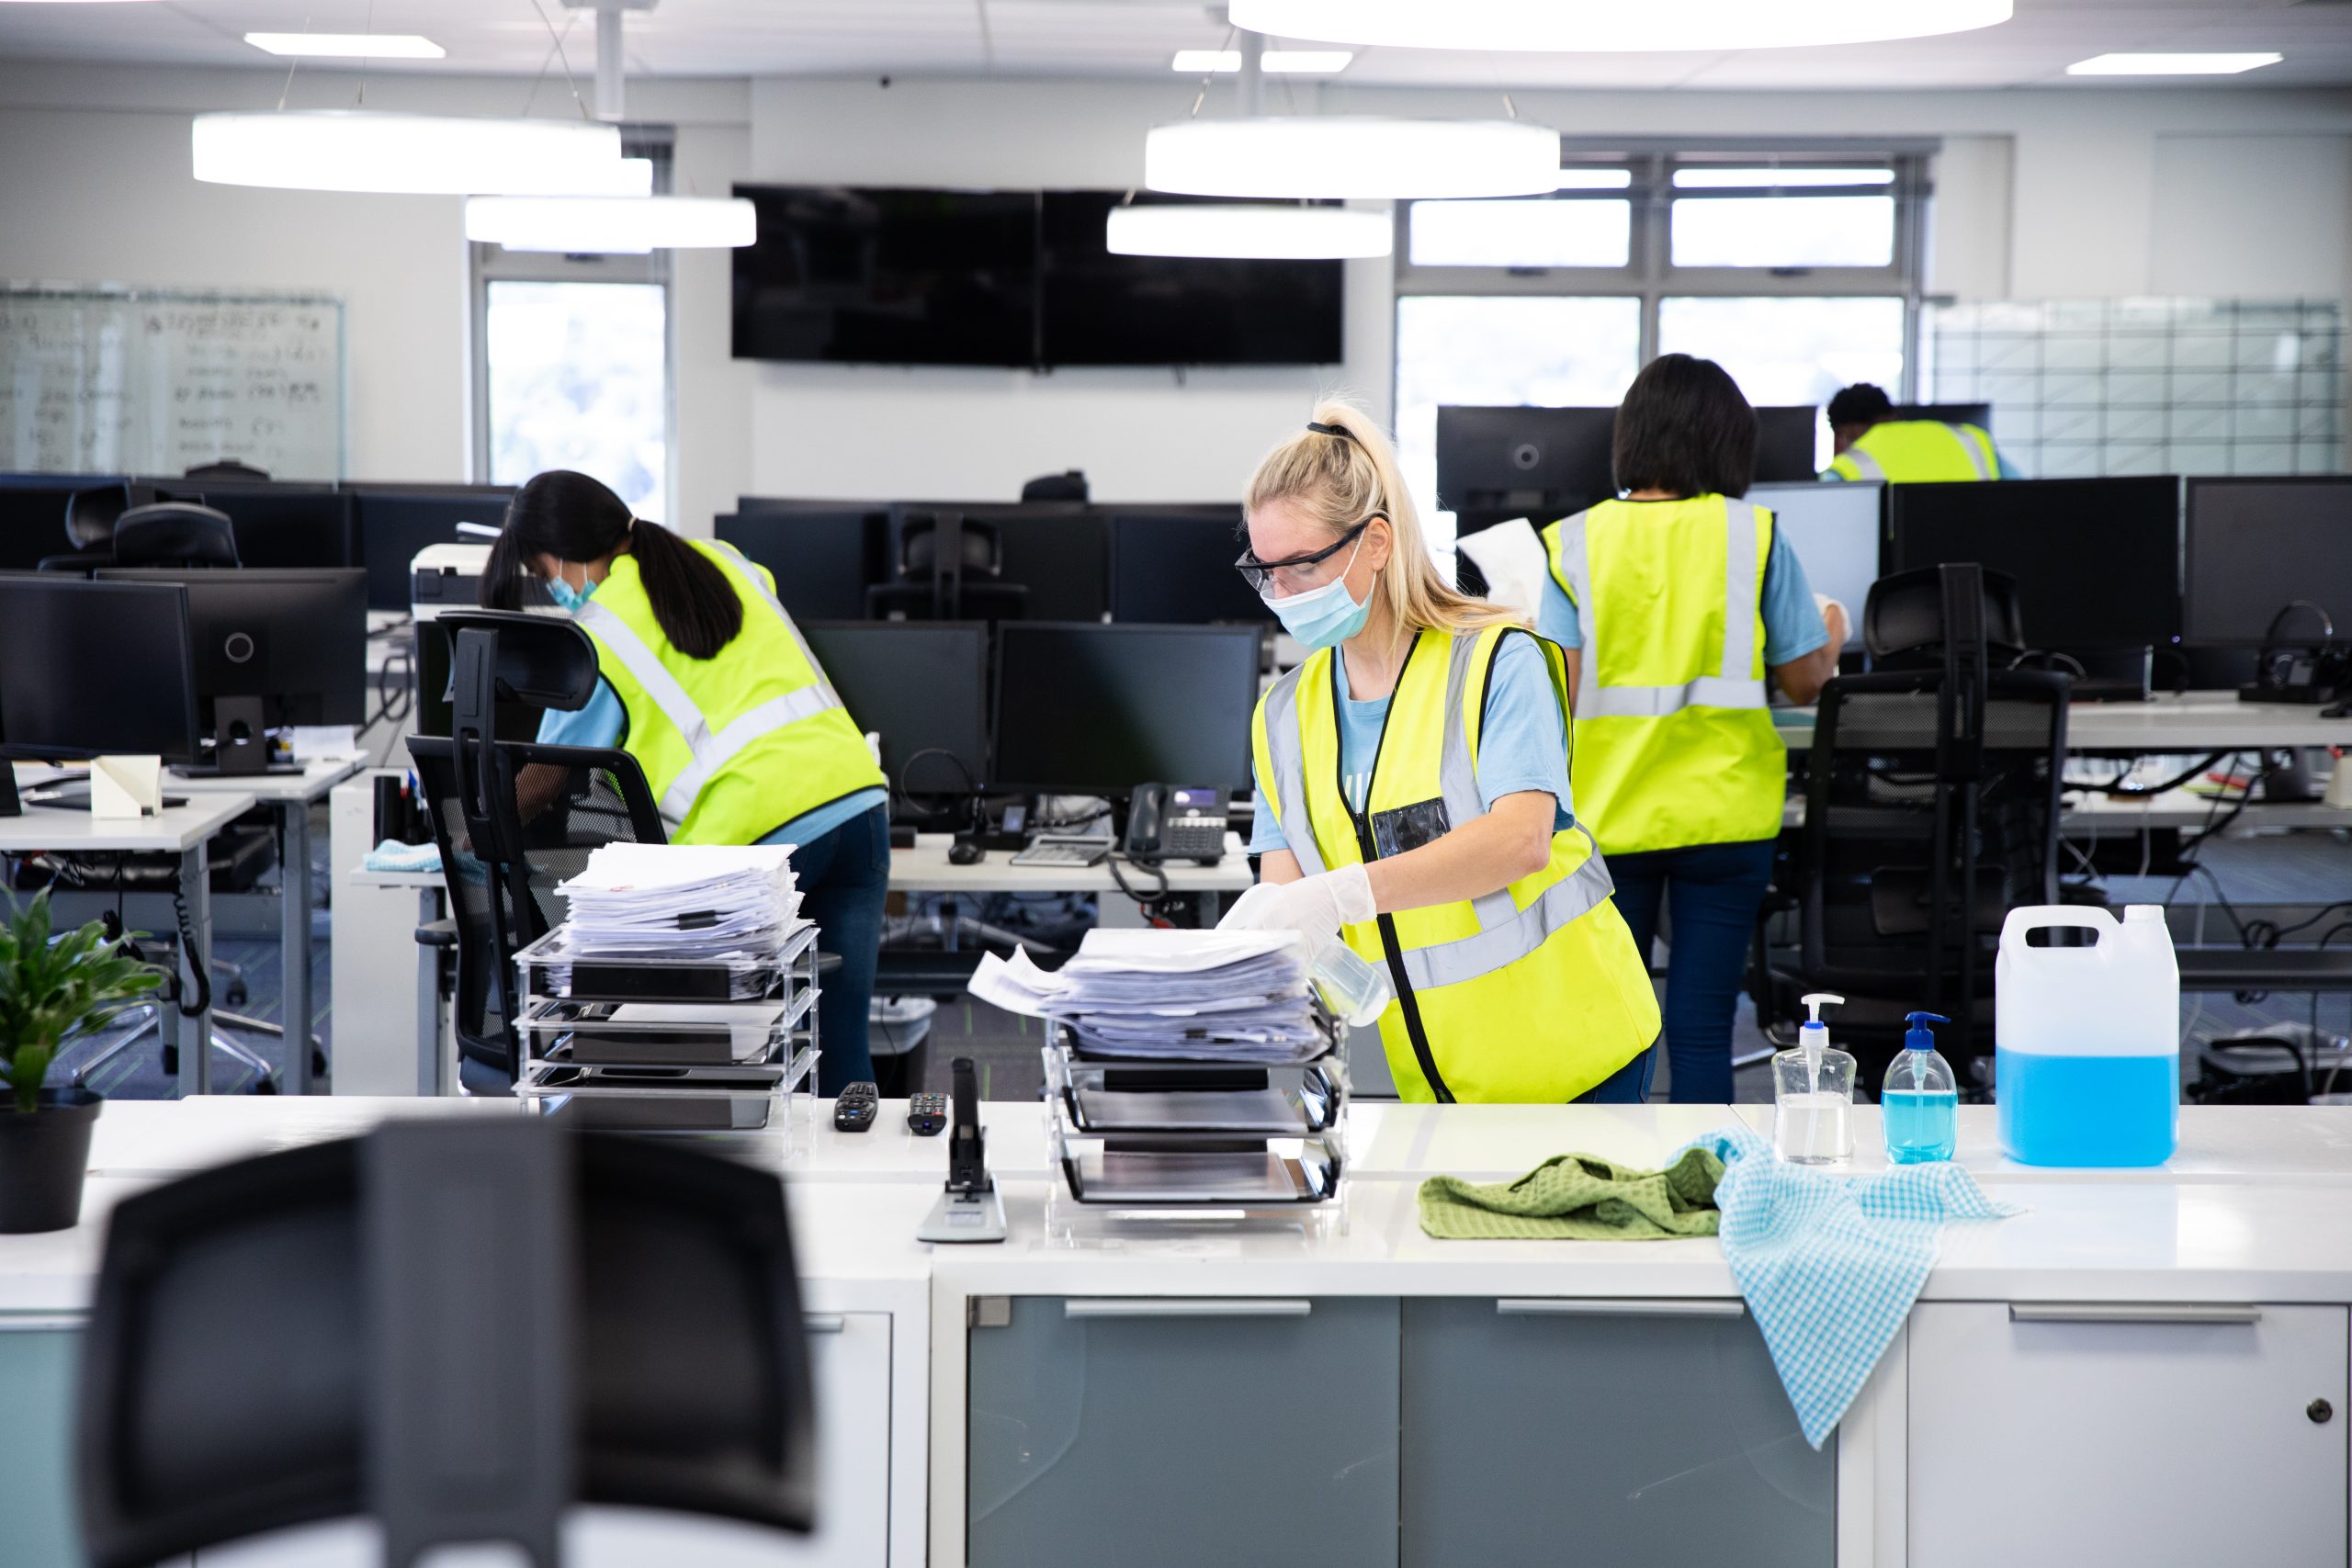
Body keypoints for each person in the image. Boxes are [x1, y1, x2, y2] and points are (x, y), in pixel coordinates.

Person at [1220, 404, 1660, 1104]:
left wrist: (1344, 892)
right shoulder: (1282, 715)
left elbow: (1521, 840)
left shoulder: (1496, 661)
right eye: (1263, 570)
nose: (1281, 595)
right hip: (1439, 1081)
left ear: (1376, 541)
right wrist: (1256, 945)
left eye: (1301, 566)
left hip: (1577, 1053)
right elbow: (1288, 895)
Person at [481, 470, 891, 1094]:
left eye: (546, 574)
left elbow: (544, 773)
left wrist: (469, 819)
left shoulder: (600, 628)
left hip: (760, 832)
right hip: (858, 804)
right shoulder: (721, 558)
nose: (554, 589)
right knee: (839, 1050)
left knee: (732, 1054)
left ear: (564, 556)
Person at [1539, 355, 1849, 1104]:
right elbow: (1807, 680)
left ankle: (1612, 1180)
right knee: (1704, 1025)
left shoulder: (1572, 543)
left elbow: (1557, 693)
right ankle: (1708, 1196)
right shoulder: (1754, 534)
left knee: (1614, 1020)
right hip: (1725, 816)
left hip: (1610, 818)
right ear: (1726, 441)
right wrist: (1831, 629)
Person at [1822, 382, 2011, 482]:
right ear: (1894, 415)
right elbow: (2024, 492)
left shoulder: (1848, 466)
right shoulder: (1970, 439)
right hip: (1980, 551)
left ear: (1846, 432)